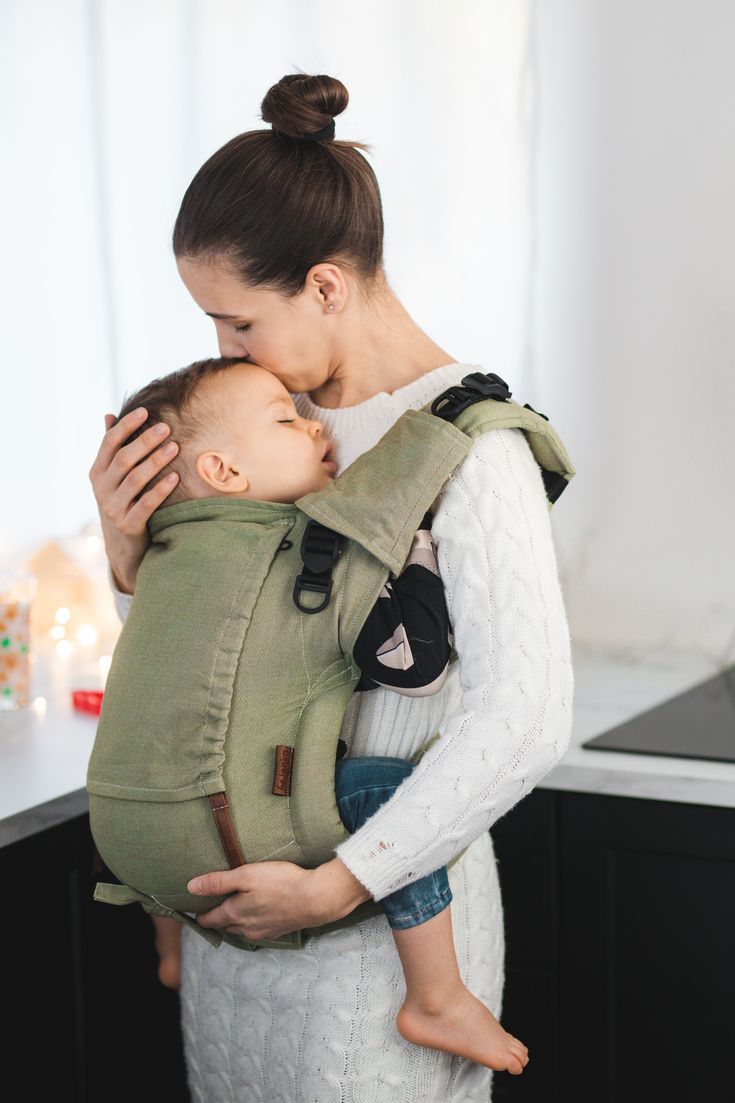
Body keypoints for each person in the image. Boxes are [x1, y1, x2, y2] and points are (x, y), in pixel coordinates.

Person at [90, 72, 573, 1102]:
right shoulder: (255, 427)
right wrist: (130, 556)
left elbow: (526, 717)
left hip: (382, 954)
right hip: (236, 931)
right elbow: (211, 663)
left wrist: (335, 882)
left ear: (322, 285)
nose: (222, 352)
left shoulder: (471, 448)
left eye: (238, 323)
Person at [104, 354, 528, 1074]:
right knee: (384, 790)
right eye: (284, 418)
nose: (310, 424)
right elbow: (414, 667)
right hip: (239, 832)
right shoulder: (295, 548)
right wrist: (418, 531)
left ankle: (168, 940)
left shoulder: (164, 560)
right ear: (225, 474)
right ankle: (434, 994)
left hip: (132, 843)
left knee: (152, 760)